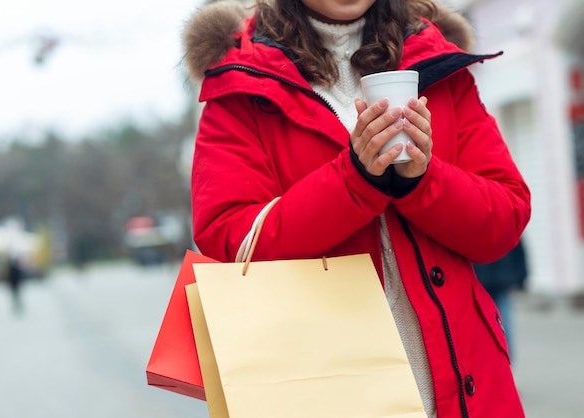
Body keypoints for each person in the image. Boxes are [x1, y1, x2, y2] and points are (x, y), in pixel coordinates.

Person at [183, 0, 531, 416]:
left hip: (468, 389)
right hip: (323, 389)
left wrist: (422, 179)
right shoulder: (240, 78)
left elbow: (505, 216)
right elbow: (228, 239)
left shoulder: (435, 56)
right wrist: (355, 181)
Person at [473, 240, 528, 361]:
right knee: (499, 326)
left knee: (503, 326)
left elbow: (517, 247)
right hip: (490, 281)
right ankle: (502, 363)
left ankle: (505, 363)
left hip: (495, 281)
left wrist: (522, 277)